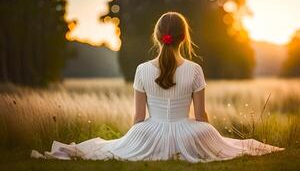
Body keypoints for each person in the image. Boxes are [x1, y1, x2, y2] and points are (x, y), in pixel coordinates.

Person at [31, 11, 284, 163]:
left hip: (148, 131)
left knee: (112, 147)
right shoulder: (195, 69)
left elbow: (139, 117)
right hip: (190, 132)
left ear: (157, 36)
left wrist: (132, 140)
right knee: (231, 146)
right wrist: (210, 138)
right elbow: (201, 116)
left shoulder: (142, 69)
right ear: (184, 37)